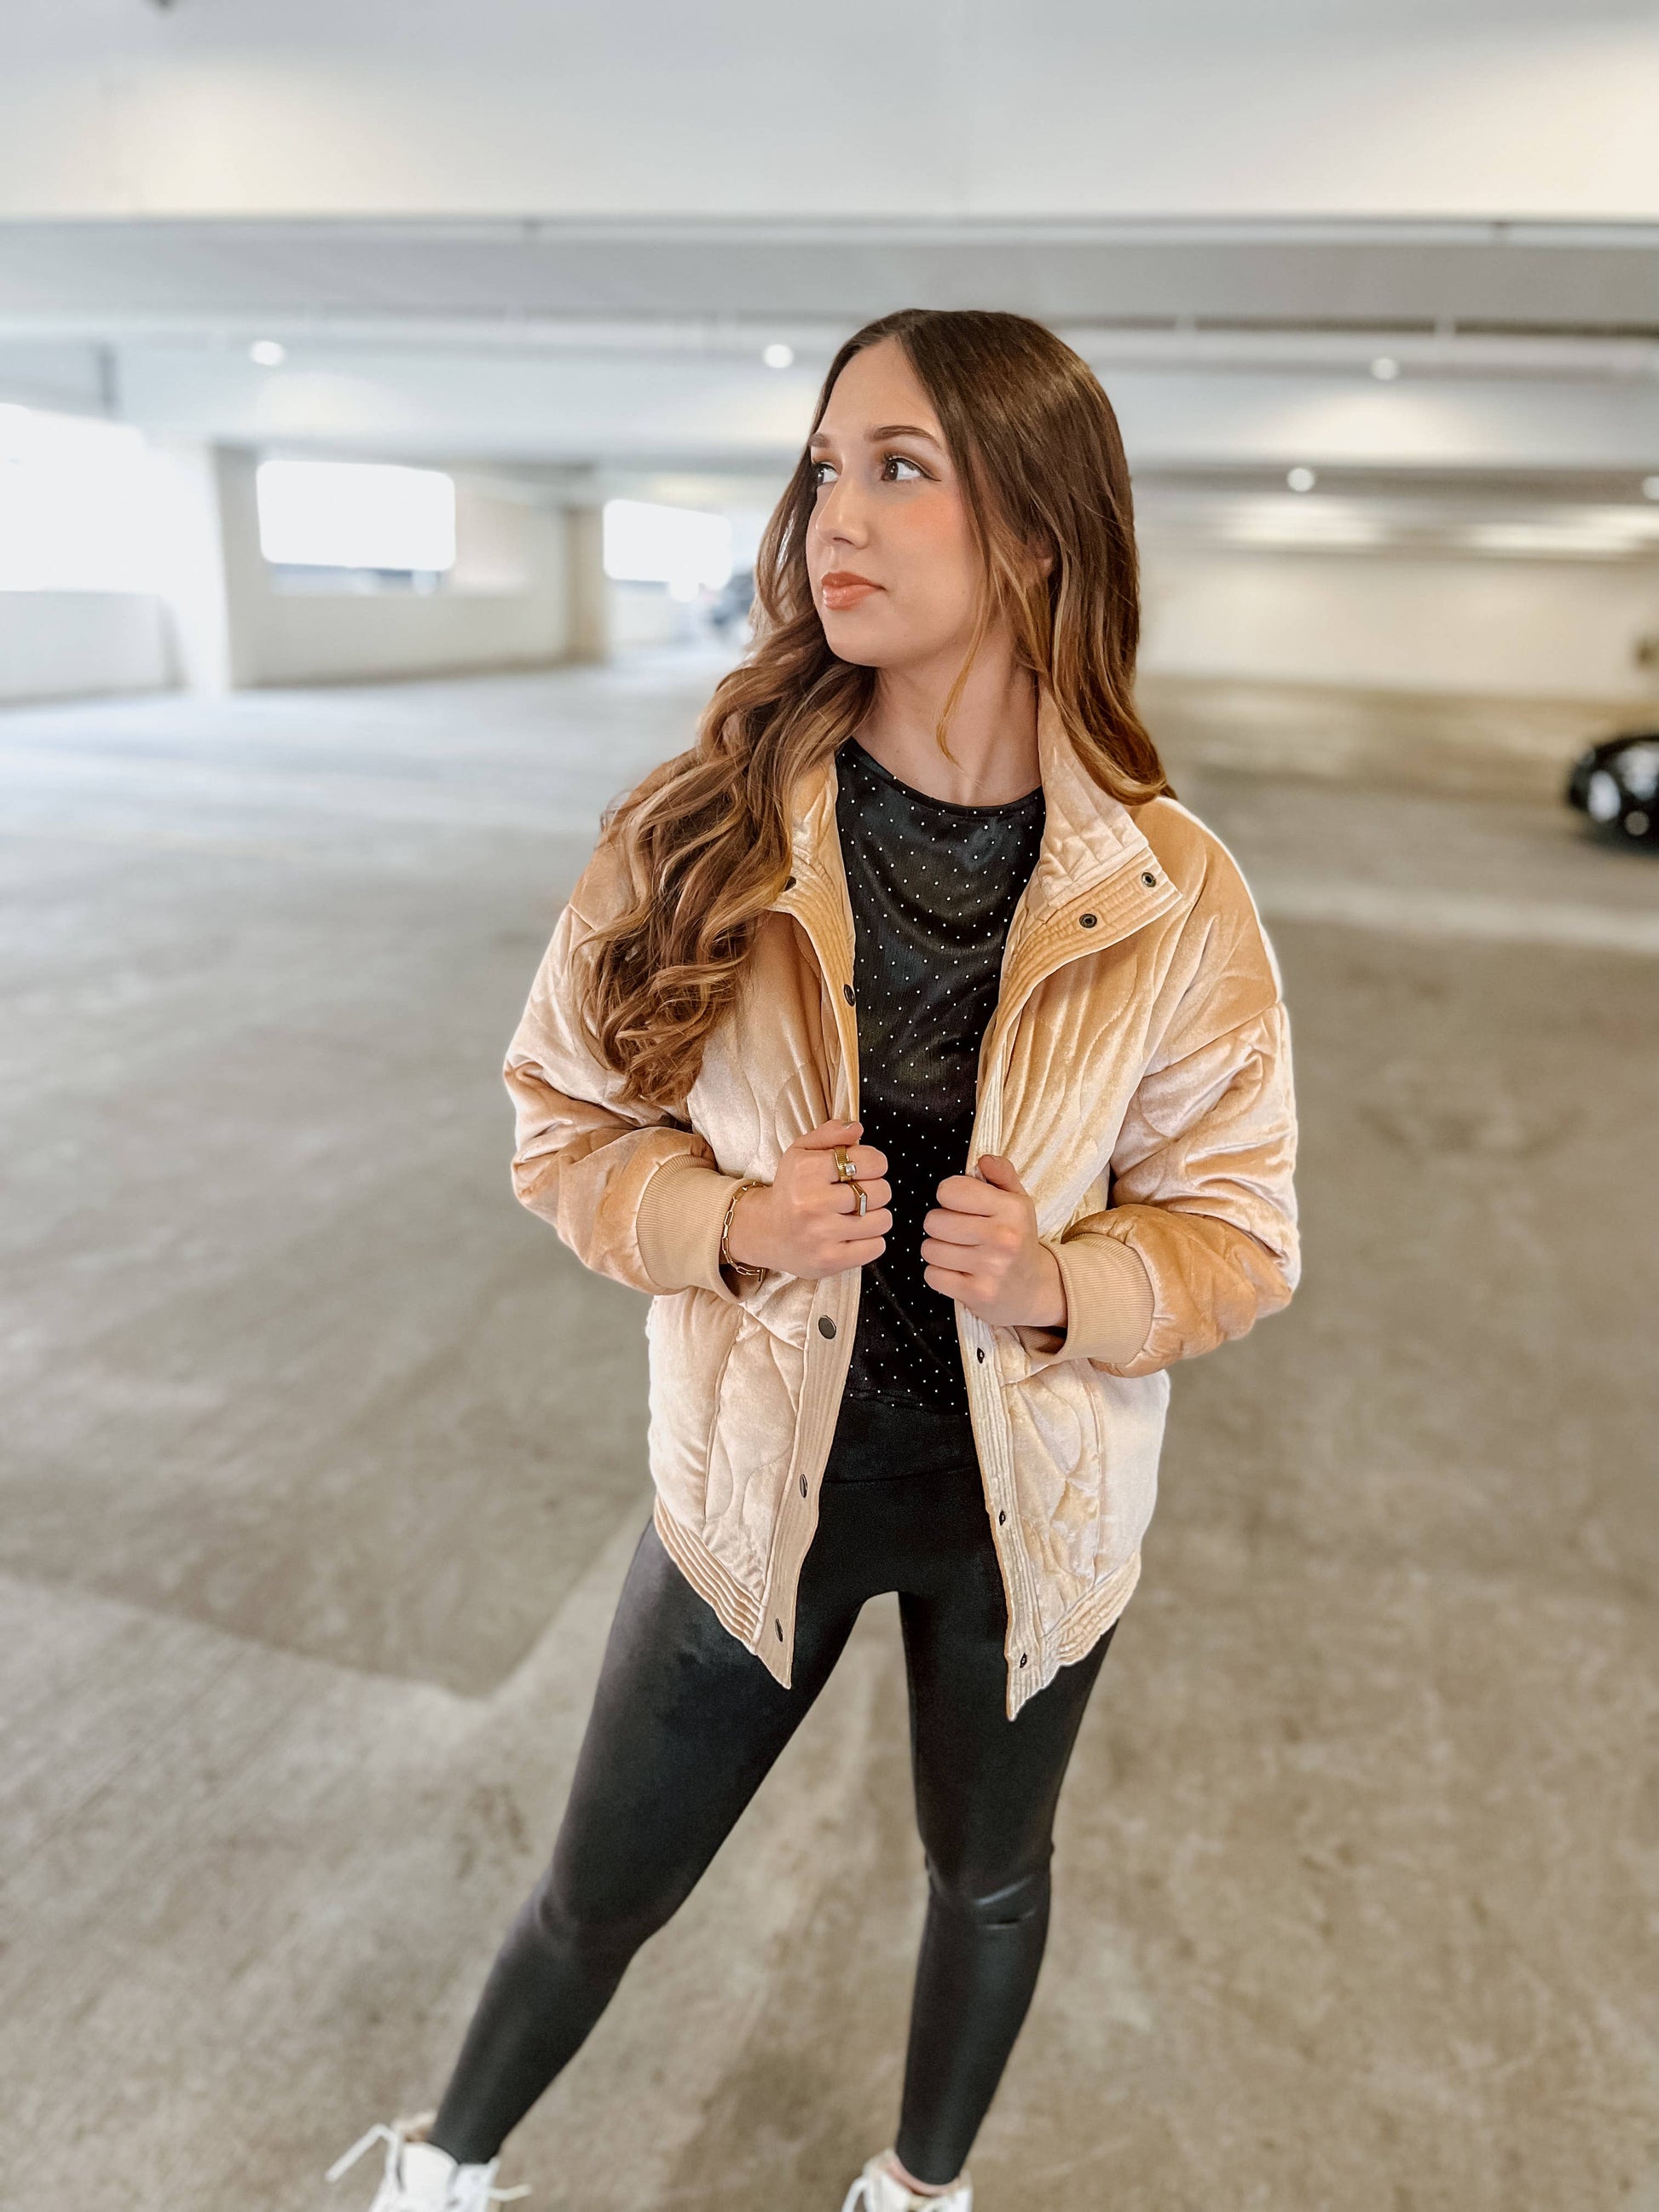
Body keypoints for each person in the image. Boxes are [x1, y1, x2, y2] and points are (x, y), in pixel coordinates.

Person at [327, 308, 1300, 2212]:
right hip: (755, 1481)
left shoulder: (1175, 891)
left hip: (1034, 1504)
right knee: (600, 1888)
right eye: (824, 468)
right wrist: (733, 1222)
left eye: (899, 467)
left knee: (989, 1877)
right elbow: (560, 1123)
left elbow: (1239, 1227)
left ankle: (918, 2190)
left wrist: (1064, 1281)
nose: (831, 515)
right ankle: (443, 2169)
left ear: (1036, 530)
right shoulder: (694, 829)